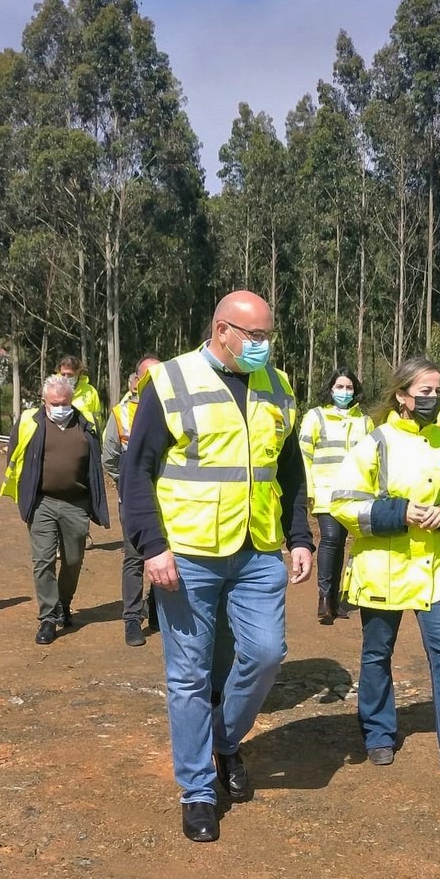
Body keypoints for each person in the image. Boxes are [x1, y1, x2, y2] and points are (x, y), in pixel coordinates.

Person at [120, 290, 313, 843]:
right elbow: (138, 473)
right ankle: (198, 789)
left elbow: (290, 471)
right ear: (222, 330)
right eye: (254, 336)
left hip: (257, 550)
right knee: (189, 675)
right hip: (189, 554)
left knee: (266, 653)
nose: (264, 345)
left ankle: (225, 741)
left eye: (268, 335)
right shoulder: (171, 381)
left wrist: (299, 536)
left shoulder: (277, 385)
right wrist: (150, 545)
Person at [330, 357, 440, 784]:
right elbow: (343, 505)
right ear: (402, 396)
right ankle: (378, 734)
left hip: (437, 568)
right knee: (377, 653)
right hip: (382, 568)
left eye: (437, 391)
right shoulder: (374, 443)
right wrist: (399, 512)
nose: (432, 398)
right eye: (424, 392)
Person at [2, 374, 110, 644]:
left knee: (73, 560)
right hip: (43, 502)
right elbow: (14, 455)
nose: (60, 407)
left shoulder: (86, 423)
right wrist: (24, 493)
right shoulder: (30, 422)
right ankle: (48, 618)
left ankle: (64, 602)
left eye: (65, 402)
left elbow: (95, 463)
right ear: (44, 401)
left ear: (71, 400)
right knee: (43, 561)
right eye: (54, 402)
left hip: (76, 503)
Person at [298, 367, 374, 624]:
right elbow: (303, 456)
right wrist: (306, 490)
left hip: (354, 496)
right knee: (330, 539)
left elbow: (372, 460)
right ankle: (323, 597)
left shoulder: (365, 422)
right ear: (330, 389)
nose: (344, 392)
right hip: (325, 492)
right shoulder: (315, 417)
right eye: (340, 387)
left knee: (341, 543)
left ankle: (334, 600)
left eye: (349, 387)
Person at [103, 353, 163, 647]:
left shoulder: (175, 407)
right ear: (135, 381)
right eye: (147, 375)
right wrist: (127, 484)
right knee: (135, 558)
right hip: (134, 500)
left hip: (170, 500)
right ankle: (131, 619)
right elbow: (109, 457)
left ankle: (157, 612)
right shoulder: (121, 413)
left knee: (166, 553)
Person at [57, 355, 104, 428]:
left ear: (78, 373)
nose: (66, 378)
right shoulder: (52, 390)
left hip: (85, 435)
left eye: (69, 374)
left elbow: (97, 419)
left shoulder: (90, 391)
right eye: (63, 374)